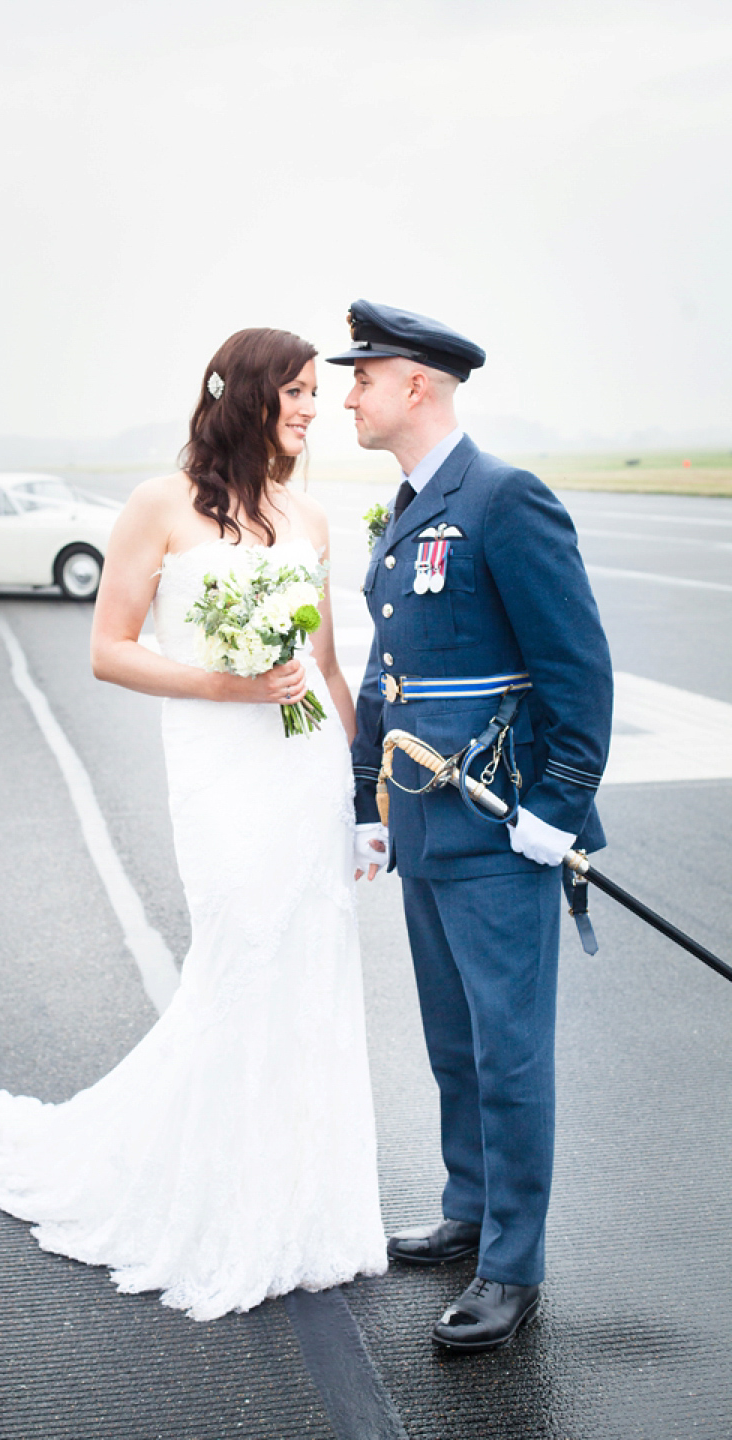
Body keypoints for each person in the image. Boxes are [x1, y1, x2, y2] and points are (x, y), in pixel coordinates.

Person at [0, 327, 388, 1322]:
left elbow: (330, 665)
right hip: (223, 773)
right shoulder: (160, 506)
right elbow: (109, 649)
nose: (311, 409)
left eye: (314, 393)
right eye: (296, 392)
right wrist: (225, 681)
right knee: (241, 957)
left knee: (310, 972)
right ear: (244, 395)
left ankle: (304, 1207)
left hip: (304, 777)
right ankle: (214, 1201)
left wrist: (363, 785)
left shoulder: (308, 515)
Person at [333, 299, 613, 1351]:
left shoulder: (503, 499)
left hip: (501, 830)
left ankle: (512, 1263)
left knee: (509, 1053)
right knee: (455, 1042)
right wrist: (368, 802)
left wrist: (558, 805)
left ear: (419, 386)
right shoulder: (408, 506)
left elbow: (576, 671)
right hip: (423, 823)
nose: (349, 394)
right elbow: (387, 670)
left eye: (365, 375)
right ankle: (468, 1209)